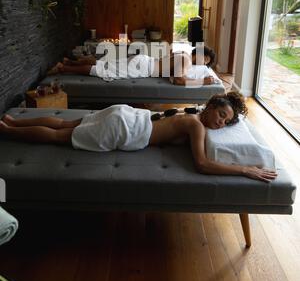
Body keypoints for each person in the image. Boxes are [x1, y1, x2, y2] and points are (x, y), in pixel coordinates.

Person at [0, 92, 277, 183]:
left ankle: (14, 121)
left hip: (126, 113)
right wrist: (245, 169)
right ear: (212, 108)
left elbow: (159, 116)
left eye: (226, 122)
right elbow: (202, 165)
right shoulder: (196, 125)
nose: (220, 124)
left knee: (64, 122)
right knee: (60, 137)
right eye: (221, 116)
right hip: (127, 129)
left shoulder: (191, 108)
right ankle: (9, 130)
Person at [47, 47, 216, 85]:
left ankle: (69, 62)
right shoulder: (186, 60)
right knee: (102, 70)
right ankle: (63, 69)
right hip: (143, 68)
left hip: (144, 60)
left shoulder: (182, 52)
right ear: (199, 53)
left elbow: (170, 71)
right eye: (206, 59)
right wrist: (203, 82)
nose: (205, 63)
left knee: (104, 64)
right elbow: (179, 80)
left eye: (207, 62)